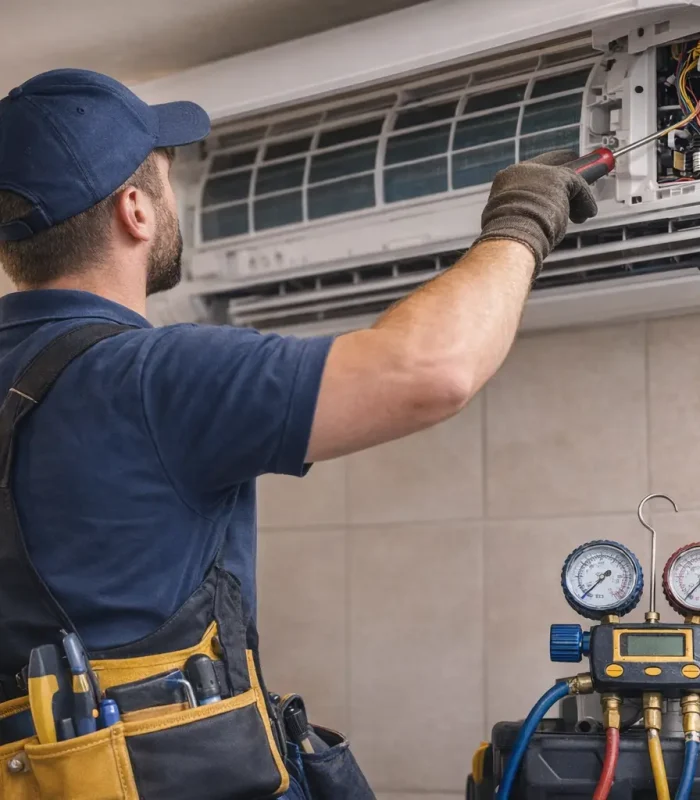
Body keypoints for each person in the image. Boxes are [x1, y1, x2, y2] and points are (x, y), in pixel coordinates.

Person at [0, 69, 597, 799]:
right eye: (164, 182)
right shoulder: (152, 376)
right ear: (135, 211)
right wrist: (523, 221)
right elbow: (431, 370)